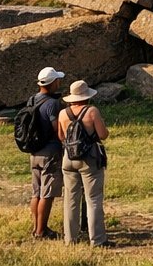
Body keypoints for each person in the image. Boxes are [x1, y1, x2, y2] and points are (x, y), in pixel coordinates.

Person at [58, 80, 110, 246]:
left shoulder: (62, 113)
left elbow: (61, 137)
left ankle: (70, 239)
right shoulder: (92, 111)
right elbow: (103, 135)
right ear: (86, 96)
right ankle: (97, 240)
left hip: (68, 158)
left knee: (70, 200)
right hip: (89, 159)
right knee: (93, 199)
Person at [26, 67, 66, 240]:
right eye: (57, 80)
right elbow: (57, 129)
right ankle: (41, 232)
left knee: (36, 192)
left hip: (34, 151)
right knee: (47, 194)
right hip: (50, 152)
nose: (59, 82)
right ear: (52, 83)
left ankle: (36, 228)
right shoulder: (52, 104)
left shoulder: (32, 100)